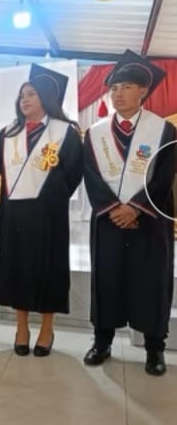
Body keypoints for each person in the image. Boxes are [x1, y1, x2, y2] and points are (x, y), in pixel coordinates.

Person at [83, 50, 175, 376]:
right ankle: (102, 342)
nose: (118, 94)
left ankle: (154, 349)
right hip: (108, 220)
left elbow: (164, 177)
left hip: (149, 221)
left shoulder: (163, 130)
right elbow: (91, 175)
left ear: (144, 91)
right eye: (114, 88)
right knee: (106, 280)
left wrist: (135, 208)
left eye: (126, 87)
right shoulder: (95, 133)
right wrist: (114, 209)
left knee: (150, 282)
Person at [0, 65, 83, 357]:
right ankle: (21, 328)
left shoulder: (65, 132)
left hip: (48, 214)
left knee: (49, 268)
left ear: (46, 97)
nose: (24, 99)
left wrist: (51, 194)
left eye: (31, 94)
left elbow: (74, 172)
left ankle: (47, 328)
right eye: (22, 95)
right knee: (17, 268)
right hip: (14, 213)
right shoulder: (8, 133)